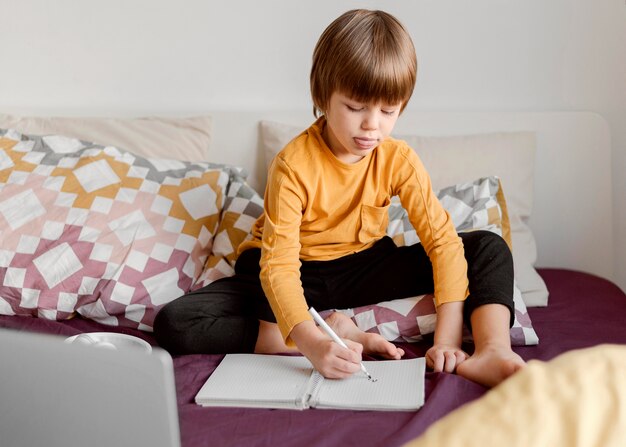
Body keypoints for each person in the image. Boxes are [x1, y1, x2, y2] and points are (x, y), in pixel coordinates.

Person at [154, 9, 525, 387]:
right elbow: (279, 267)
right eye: (355, 107)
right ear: (323, 96)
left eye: (388, 110)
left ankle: (493, 349)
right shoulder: (292, 165)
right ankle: (330, 331)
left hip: (361, 265)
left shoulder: (399, 160)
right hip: (292, 267)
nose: (371, 125)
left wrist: (445, 342)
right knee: (175, 324)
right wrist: (313, 343)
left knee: (487, 247)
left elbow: (442, 243)